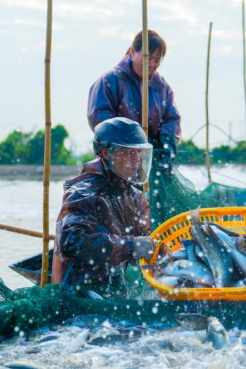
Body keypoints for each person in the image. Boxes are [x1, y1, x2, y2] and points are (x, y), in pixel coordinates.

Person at [52, 117, 155, 298]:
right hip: (80, 289)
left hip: (114, 283)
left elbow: (146, 238)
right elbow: (70, 241)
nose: (135, 159)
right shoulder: (84, 192)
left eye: (138, 152)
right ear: (106, 153)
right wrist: (131, 246)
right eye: (127, 152)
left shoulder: (135, 195)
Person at [87, 30, 181, 175]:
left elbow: (172, 121)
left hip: (151, 160)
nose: (151, 64)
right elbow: (100, 120)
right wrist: (128, 148)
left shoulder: (162, 87)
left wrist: (166, 150)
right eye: (147, 58)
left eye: (157, 60)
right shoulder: (109, 81)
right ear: (132, 52)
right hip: (116, 160)